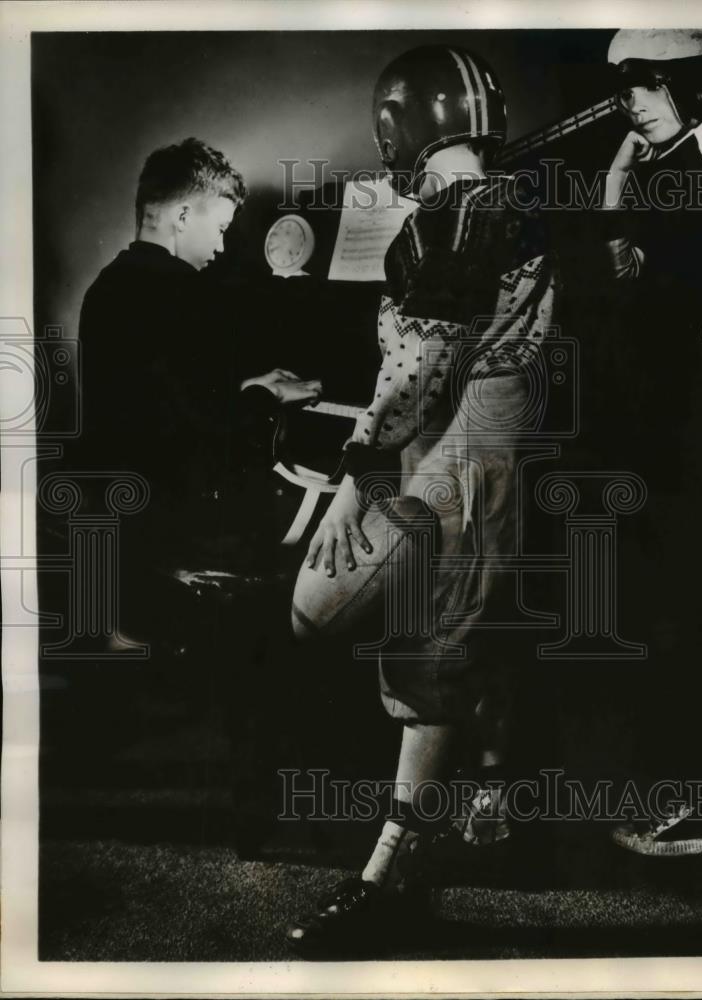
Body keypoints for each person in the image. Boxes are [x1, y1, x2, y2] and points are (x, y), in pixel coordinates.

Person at [285, 46, 560, 952]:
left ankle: (392, 875)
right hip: (498, 446)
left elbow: (414, 375)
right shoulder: (516, 198)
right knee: (467, 642)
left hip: (452, 456)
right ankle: (488, 816)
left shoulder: (442, 223)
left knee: (421, 657)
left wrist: (352, 478)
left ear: (397, 127)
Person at [74, 137, 322, 852]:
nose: (222, 243)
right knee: (293, 580)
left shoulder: (115, 285)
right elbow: (200, 435)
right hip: (172, 521)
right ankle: (270, 815)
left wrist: (244, 391)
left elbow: (163, 406)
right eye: (218, 225)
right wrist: (267, 401)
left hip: (126, 511)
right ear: (182, 214)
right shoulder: (176, 294)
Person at [598, 29, 702, 855]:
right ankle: (692, 784)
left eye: (648, 83)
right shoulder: (659, 163)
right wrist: (614, 178)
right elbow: (625, 271)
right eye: (624, 85)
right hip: (667, 406)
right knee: (673, 597)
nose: (631, 99)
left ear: (691, 85)